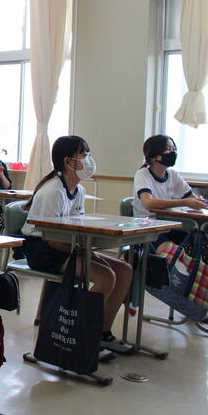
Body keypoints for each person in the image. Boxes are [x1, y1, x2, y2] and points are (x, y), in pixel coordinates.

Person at [21, 135, 133, 354]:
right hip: (44, 250)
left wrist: (87, 251)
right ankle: (80, 338)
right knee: (106, 277)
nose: (88, 159)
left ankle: (103, 334)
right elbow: (52, 238)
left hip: (68, 245)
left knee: (124, 270)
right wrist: (86, 252)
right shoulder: (53, 191)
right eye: (84, 154)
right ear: (68, 161)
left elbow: (77, 228)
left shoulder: (79, 190)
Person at [133, 135, 208, 326]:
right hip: (148, 229)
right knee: (177, 256)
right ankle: (188, 306)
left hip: (171, 226)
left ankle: (198, 306)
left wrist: (198, 202)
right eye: (168, 149)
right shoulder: (143, 174)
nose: (172, 152)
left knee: (202, 253)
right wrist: (183, 202)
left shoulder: (173, 175)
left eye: (173, 148)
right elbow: (148, 203)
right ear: (154, 156)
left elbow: (191, 197)